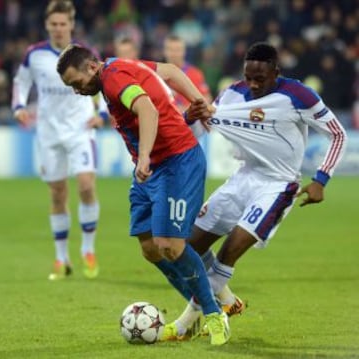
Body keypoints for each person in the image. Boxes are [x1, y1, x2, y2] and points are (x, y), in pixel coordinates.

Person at [163, 42, 348, 339]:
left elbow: (338, 134)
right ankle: (227, 302)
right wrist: (189, 117)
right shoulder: (233, 94)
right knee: (187, 245)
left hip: (278, 184)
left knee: (230, 249)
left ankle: (186, 324)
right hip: (241, 179)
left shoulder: (297, 95)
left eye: (260, 78)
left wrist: (320, 179)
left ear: (276, 72)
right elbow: (198, 129)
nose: (253, 84)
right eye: (249, 77)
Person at [56, 44, 230, 346]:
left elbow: (146, 108)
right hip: (151, 168)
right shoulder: (120, 65)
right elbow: (172, 72)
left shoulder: (112, 79)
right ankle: (199, 304)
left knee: (171, 246)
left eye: (76, 83)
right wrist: (198, 102)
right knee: (150, 247)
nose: (76, 90)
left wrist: (146, 156)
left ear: (91, 67)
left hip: (176, 162)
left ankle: (216, 315)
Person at [12, 0, 108, 281]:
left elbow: (102, 81)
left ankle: (88, 250)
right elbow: (21, 83)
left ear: (71, 24)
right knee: (57, 193)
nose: (58, 28)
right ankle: (61, 257)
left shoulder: (85, 54)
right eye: (53, 24)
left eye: (62, 23)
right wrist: (18, 107)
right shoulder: (34, 54)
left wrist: (101, 112)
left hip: (80, 128)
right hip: (49, 132)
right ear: (47, 25)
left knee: (87, 186)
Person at [163, 34, 212, 112]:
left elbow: (207, 98)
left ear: (184, 51)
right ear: (164, 51)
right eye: (170, 49)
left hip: (189, 119)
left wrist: (187, 110)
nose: (174, 54)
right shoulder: (157, 74)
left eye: (178, 50)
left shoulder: (195, 73)